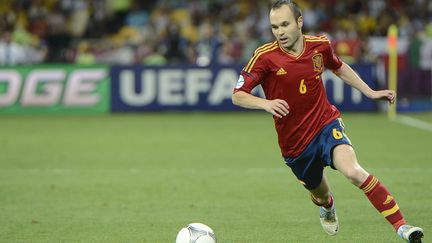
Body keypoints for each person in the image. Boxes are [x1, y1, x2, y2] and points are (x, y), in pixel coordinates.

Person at [231, 1, 424, 242]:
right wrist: (266, 104)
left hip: (325, 124)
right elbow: (238, 95)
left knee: (353, 172)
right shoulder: (264, 56)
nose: (279, 32)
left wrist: (370, 92)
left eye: (284, 24)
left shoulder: (319, 45)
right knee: (320, 195)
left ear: (299, 22)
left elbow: (339, 67)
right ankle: (328, 205)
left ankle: (402, 227)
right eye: (274, 27)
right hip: (295, 146)